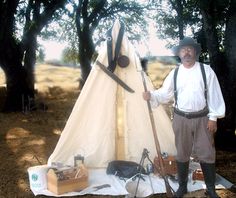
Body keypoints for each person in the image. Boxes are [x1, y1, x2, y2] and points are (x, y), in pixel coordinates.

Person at [143, 37, 225, 198]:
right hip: (181, 119)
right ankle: (182, 187)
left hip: (203, 118)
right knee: (182, 152)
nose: (187, 52)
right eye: (183, 50)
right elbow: (164, 94)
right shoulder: (175, 73)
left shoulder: (206, 71)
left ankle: (210, 188)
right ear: (179, 54)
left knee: (207, 152)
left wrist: (213, 117)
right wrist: (151, 95)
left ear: (195, 52)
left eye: (190, 49)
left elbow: (215, 95)